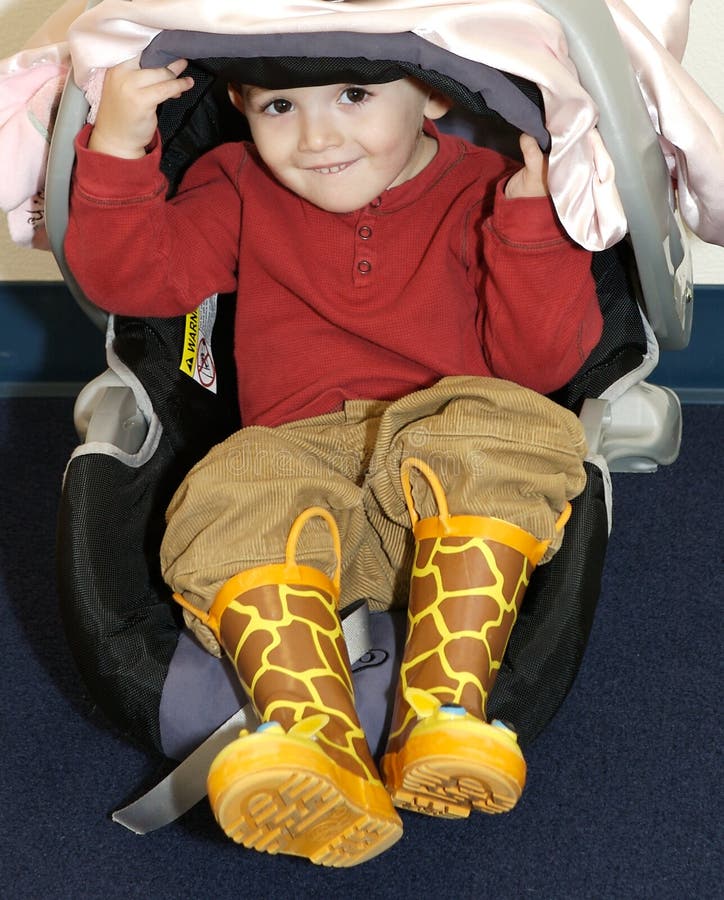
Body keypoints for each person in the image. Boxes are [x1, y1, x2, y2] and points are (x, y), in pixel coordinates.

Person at [66, 55, 603, 867]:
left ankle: (443, 712)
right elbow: (133, 278)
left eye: (354, 96)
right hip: (295, 493)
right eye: (280, 104)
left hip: (448, 502)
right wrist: (116, 147)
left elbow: (540, 369)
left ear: (430, 89)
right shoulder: (238, 182)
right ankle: (315, 741)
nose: (317, 136)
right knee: (225, 487)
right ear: (240, 101)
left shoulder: (487, 188)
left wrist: (531, 232)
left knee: (514, 427)